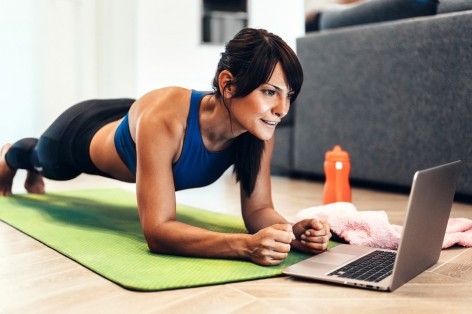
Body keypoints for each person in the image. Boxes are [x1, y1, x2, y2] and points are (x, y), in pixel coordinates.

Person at [0, 28, 331, 266]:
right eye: (270, 92)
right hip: (79, 134)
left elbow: (258, 210)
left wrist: (291, 231)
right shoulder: (167, 120)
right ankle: (9, 154)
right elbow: (157, 231)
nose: (282, 110)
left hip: (134, 117)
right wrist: (244, 246)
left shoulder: (256, 129)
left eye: (288, 95)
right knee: (42, 159)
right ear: (228, 85)